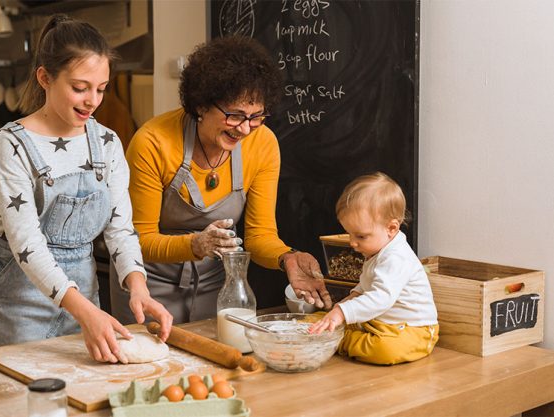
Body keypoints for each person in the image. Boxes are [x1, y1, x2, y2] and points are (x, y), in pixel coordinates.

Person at [0, 14, 172, 363]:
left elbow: (120, 229)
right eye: (80, 88)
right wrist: (83, 311)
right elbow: (26, 244)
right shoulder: (12, 142)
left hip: (84, 297)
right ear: (45, 78)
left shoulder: (107, 142)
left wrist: (138, 287)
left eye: (101, 88)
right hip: (19, 302)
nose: (92, 101)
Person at [110, 36, 332, 323]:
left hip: (217, 286)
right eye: (235, 115)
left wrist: (287, 257)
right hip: (147, 285)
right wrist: (196, 245)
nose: (245, 129)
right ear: (201, 104)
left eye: (256, 117)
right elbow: (138, 240)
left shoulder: (262, 144)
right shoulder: (153, 142)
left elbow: (260, 236)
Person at [309, 172, 439, 365]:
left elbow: (380, 298)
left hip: (413, 331)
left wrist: (343, 313)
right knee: (317, 320)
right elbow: (365, 288)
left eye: (360, 236)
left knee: (385, 349)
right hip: (380, 323)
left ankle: (339, 340)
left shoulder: (396, 257)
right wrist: (341, 307)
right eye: (349, 234)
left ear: (391, 229)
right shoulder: (377, 250)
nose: (352, 243)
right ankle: (329, 331)